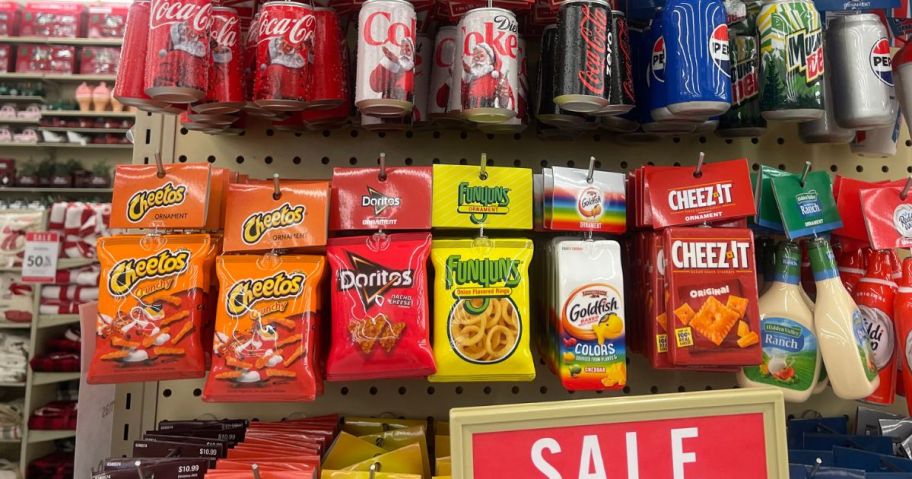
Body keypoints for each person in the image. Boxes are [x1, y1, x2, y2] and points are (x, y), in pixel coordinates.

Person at [462, 43, 512, 110]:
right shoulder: (472, 78)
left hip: (492, 115)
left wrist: (504, 96)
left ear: (489, 58)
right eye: (476, 57)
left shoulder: (499, 76)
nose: (478, 59)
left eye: (481, 55)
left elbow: (506, 103)